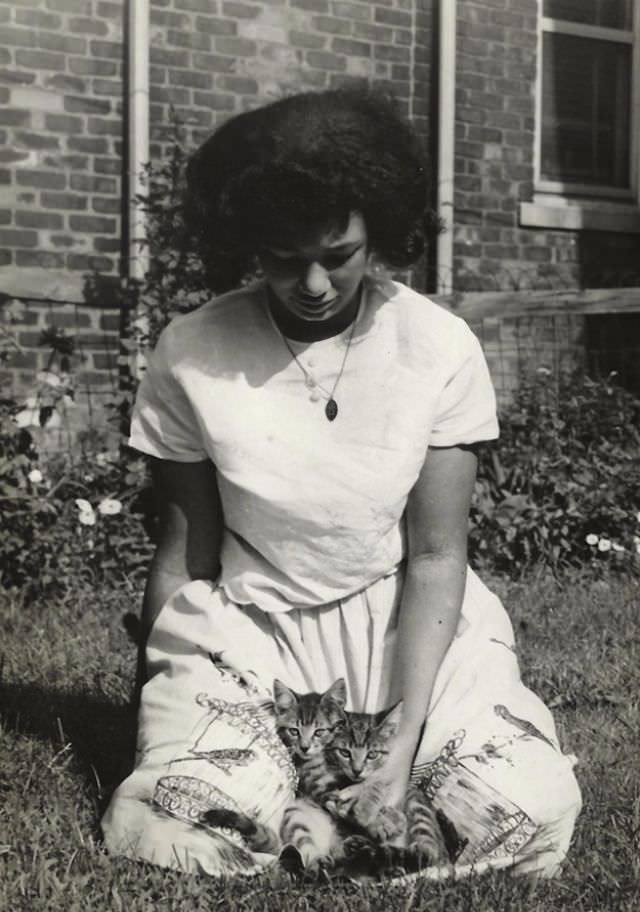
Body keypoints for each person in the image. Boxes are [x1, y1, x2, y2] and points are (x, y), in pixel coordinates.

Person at [101, 87, 581, 879]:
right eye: (286, 260)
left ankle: (357, 801)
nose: (315, 284)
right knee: (173, 813)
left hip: (405, 624)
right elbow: (186, 555)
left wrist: (406, 736)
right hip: (253, 628)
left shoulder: (438, 346)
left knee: (527, 810)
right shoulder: (191, 351)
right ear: (248, 245)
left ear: (380, 233)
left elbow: (435, 556)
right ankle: (279, 794)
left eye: (339, 254)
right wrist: (156, 699)